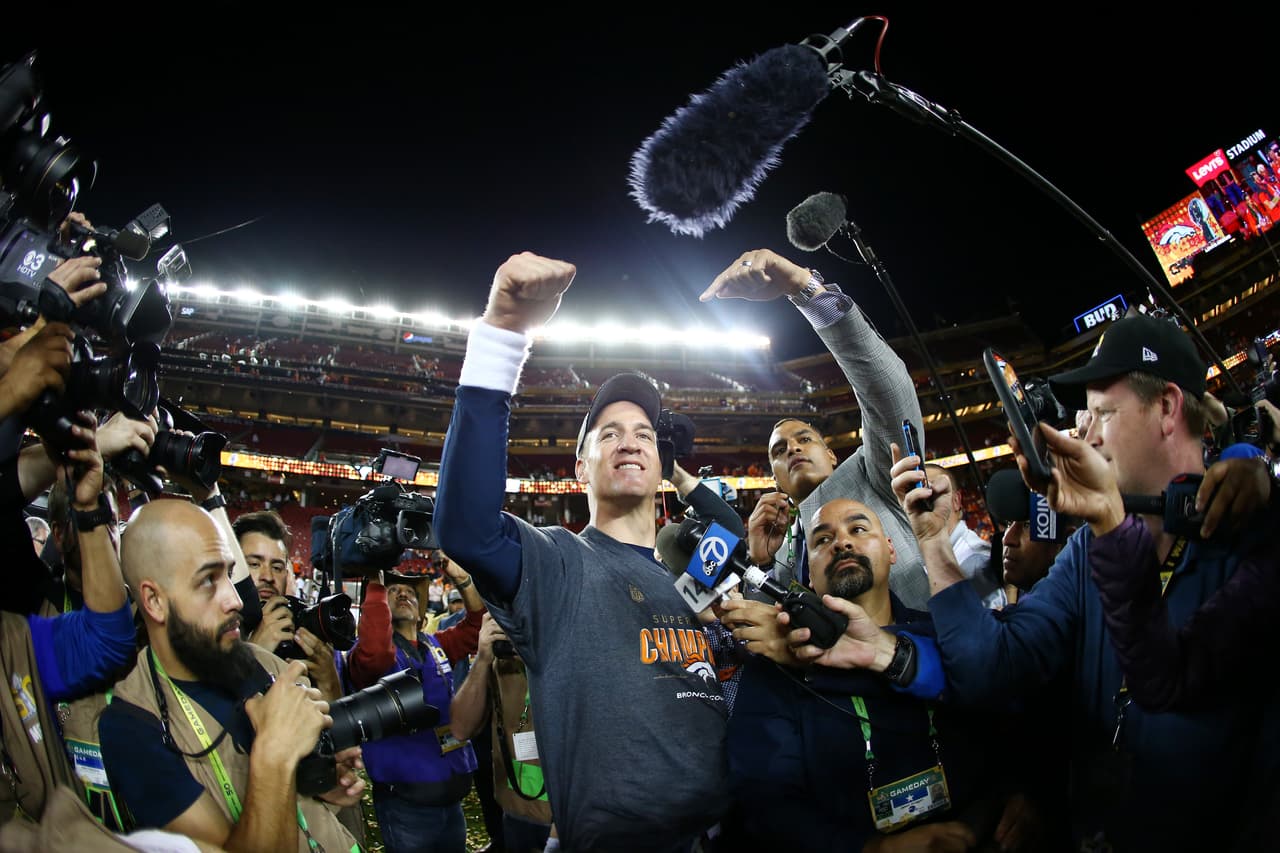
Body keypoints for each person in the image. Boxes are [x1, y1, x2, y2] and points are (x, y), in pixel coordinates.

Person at [892, 314, 1280, 850]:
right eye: (1085, 415)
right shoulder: (1086, 548)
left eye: (1103, 413)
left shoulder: (1256, 535)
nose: (1088, 434)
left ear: (1167, 408)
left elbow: (1166, 680)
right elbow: (994, 668)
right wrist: (934, 542)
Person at [435, 252, 729, 851]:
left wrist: (681, 479)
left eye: (645, 434)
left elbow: (732, 535)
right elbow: (466, 528)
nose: (631, 442)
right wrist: (504, 333)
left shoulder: (689, 577)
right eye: (610, 434)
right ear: (581, 463)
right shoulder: (559, 564)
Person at [724, 497, 1031, 852]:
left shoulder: (945, 636)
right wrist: (873, 849)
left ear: (891, 551)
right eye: (823, 540)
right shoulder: (776, 669)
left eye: (858, 529)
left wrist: (1024, 794)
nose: (842, 542)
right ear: (808, 574)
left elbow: (1007, 724)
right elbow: (766, 802)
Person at [98, 501, 364, 852]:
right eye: (208, 580)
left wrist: (315, 781)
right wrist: (274, 755)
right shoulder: (131, 726)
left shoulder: (260, 663)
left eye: (228, 573)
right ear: (154, 600)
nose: (235, 599)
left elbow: (296, 801)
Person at [700, 249, 930, 610]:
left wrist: (805, 289)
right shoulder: (783, 543)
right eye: (779, 451)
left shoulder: (875, 475)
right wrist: (760, 563)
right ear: (775, 479)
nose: (792, 449)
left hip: (924, 654)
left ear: (832, 455)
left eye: (804, 439)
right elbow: (766, 637)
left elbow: (887, 388)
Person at [342, 563, 484, 853]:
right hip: (407, 806)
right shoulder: (368, 655)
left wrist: (463, 580)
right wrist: (376, 583)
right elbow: (376, 654)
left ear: (421, 614)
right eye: (393, 591)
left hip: (452, 798)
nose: (403, 594)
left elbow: (477, 626)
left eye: (410, 592)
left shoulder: (436, 644)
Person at [450, 613, 553, 853]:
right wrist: (483, 659)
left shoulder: (577, 640)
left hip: (579, 813)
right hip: (520, 812)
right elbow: (461, 728)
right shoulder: (501, 655)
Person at [923, 463, 1002, 608]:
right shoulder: (936, 554)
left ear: (956, 500)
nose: (923, 502)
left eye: (931, 493)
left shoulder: (976, 562)